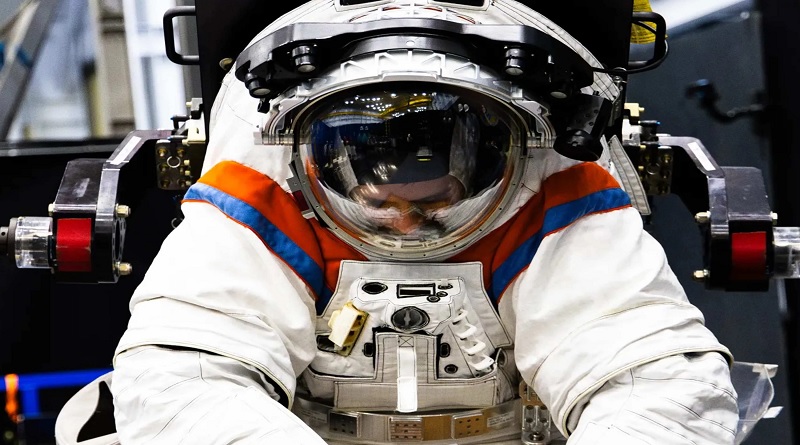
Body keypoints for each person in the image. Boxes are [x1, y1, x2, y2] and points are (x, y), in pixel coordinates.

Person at [109, 0, 739, 443]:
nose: (404, 230)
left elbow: (656, 387)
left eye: (433, 205)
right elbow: (184, 381)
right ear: (313, 160)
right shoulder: (263, 181)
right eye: (379, 203)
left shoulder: (551, 182)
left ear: (497, 157)